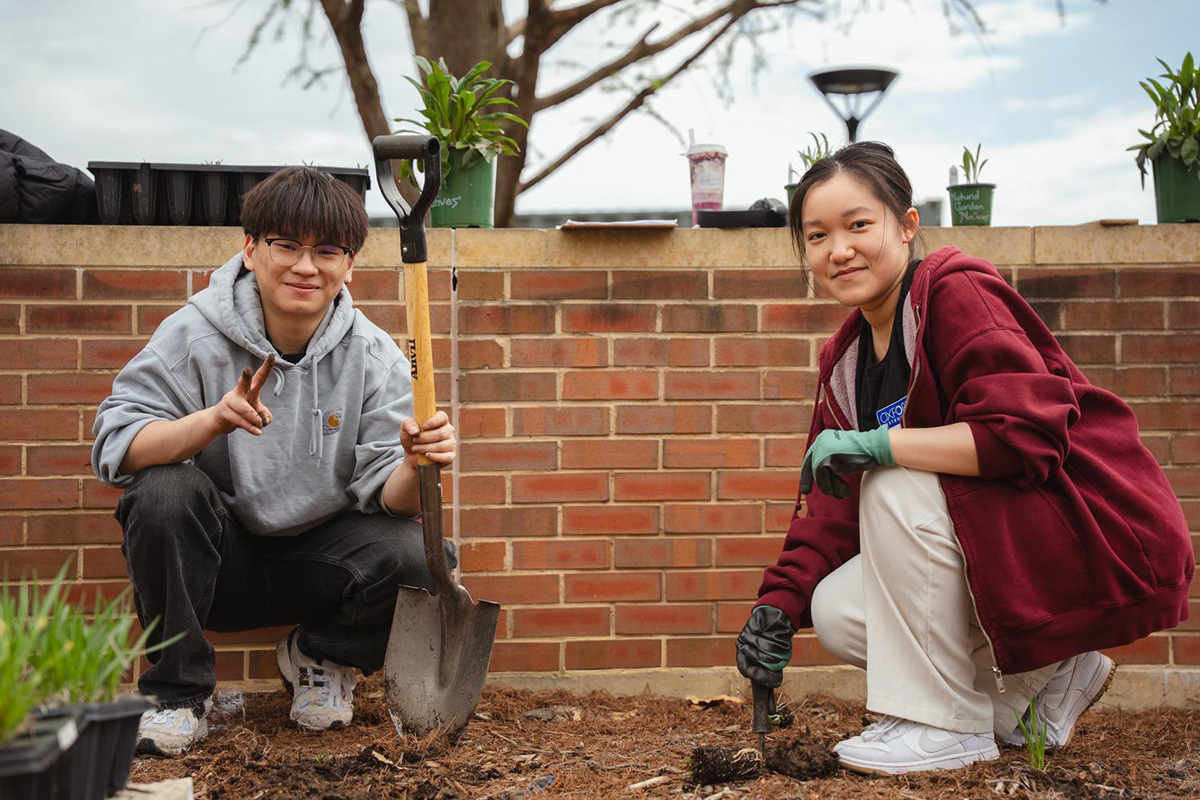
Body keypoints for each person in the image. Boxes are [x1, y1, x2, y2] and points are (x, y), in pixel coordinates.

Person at [735, 142, 1193, 776]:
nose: (838, 249)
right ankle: (1040, 689)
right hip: (997, 537)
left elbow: (1026, 438)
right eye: (817, 236)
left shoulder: (956, 292)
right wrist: (779, 605)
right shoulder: (845, 364)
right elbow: (833, 509)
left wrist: (881, 446)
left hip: (1091, 527)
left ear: (906, 225)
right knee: (838, 610)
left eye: (858, 225)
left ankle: (940, 726)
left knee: (892, 481)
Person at [91, 166, 458, 757]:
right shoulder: (194, 334)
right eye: (285, 245)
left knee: (423, 555)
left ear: (350, 264)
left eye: (326, 251)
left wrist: (418, 465)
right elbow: (115, 446)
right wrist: (209, 421)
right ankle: (177, 695)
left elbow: (391, 499)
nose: (305, 266)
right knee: (161, 492)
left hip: (322, 564)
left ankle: (321, 655)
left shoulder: (374, 356)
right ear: (251, 249)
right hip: (219, 562)